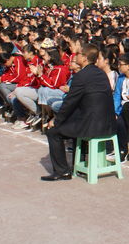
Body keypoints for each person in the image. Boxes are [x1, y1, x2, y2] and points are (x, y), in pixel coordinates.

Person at [41, 44, 116, 181]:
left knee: (53, 132)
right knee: (73, 125)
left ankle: (62, 171)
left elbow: (70, 103)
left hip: (92, 124)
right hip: (107, 123)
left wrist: (56, 120)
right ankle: (77, 164)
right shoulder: (101, 74)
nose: (76, 56)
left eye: (79, 54)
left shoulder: (81, 76)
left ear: (85, 58)